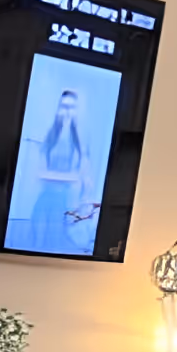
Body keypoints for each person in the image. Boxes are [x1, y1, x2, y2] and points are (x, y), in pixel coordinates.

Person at [25, 88, 101, 252]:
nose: (67, 111)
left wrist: (76, 181)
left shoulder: (80, 141)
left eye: (71, 107)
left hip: (66, 204)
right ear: (58, 108)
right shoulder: (49, 136)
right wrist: (72, 178)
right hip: (45, 201)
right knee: (37, 246)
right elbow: (39, 173)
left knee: (57, 248)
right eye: (64, 106)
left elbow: (84, 177)